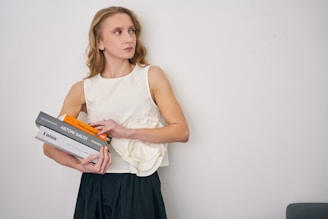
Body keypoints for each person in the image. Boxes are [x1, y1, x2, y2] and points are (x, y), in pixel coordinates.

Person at [43, 6, 189, 219]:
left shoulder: (151, 76)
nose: (129, 38)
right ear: (100, 42)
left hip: (139, 183)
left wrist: (126, 132)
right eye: (118, 32)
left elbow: (181, 131)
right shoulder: (82, 89)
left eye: (132, 31)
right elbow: (49, 144)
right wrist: (79, 166)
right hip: (95, 185)